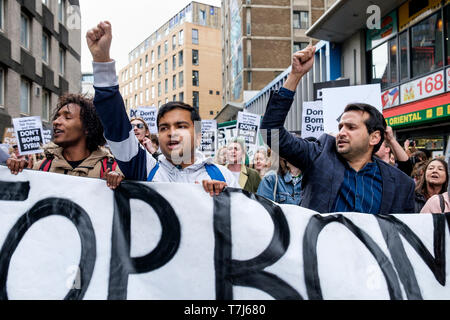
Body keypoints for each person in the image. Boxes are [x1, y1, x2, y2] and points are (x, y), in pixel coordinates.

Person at [86, 21, 238, 196]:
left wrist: (225, 199)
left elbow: (243, 219)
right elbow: (115, 126)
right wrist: (102, 61)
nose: (171, 133)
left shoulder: (223, 176)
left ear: (197, 134)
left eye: (181, 126)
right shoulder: (145, 169)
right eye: (164, 128)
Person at [261, 45, 415, 214]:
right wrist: (295, 75)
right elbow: (272, 133)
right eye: (341, 126)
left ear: (374, 137)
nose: (342, 132)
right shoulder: (318, 155)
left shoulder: (400, 184)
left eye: (351, 127)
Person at [6, 93, 124, 190]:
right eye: (57, 117)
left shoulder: (111, 168)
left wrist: (119, 181)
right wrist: (19, 172)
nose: (56, 121)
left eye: (67, 117)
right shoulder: (41, 167)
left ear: (87, 128)